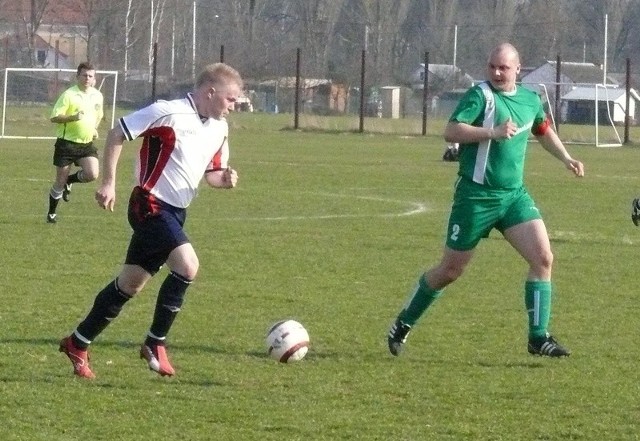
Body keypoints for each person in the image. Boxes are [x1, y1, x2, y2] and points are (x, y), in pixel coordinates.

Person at [387, 43, 585, 358]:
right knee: (450, 271)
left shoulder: (530, 99)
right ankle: (404, 321)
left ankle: (538, 337)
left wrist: (566, 158)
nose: (496, 72)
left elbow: (543, 130)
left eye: (503, 68)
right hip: (475, 197)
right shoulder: (480, 96)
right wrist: (491, 132)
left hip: (513, 197)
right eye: (492, 66)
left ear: (518, 69)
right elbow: (450, 131)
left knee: (543, 259)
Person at [59, 63, 243, 379]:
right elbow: (118, 132)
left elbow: (212, 175)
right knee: (187, 266)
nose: (233, 107)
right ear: (210, 92)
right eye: (230, 100)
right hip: (149, 203)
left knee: (130, 284)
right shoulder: (168, 112)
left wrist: (224, 179)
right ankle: (155, 343)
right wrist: (108, 183)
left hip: (176, 212)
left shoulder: (219, 129)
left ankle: (78, 341)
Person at [47, 62, 104, 223]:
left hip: (85, 145)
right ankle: (51, 213)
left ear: (94, 79)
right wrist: (72, 117)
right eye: (84, 75)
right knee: (59, 181)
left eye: (90, 76)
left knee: (92, 174)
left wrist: (94, 129)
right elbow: (54, 117)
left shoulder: (97, 96)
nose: (87, 78)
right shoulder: (69, 95)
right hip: (66, 144)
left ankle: (70, 181)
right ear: (77, 76)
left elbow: (97, 116)